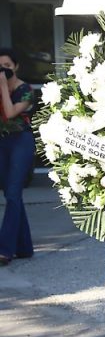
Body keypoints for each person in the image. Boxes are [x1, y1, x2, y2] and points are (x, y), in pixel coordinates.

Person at [0, 47, 36, 265]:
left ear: (16, 67)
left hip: (21, 142)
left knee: (13, 194)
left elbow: (10, 112)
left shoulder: (26, 90)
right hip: (2, 143)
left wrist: (3, 86)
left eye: (7, 66)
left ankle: (5, 250)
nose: (3, 70)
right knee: (10, 194)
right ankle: (24, 247)